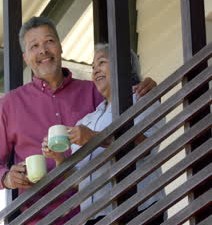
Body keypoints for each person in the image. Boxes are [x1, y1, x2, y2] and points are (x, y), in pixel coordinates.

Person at [0, 16, 157, 224]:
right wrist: (6, 178)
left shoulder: (95, 91)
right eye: (34, 46)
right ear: (26, 57)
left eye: (49, 42)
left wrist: (144, 84)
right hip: (38, 218)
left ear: (60, 47)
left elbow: (128, 114)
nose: (43, 50)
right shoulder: (10, 104)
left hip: (97, 214)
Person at [42, 44, 165, 224]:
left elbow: (145, 146)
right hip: (95, 218)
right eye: (92, 67)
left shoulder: (142, 98)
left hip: (139, 209)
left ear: (123, 65)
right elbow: (78, 181)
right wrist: (59, 158)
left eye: (101, 63)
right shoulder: (86, 121)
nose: (95, 70)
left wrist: (94, 138)